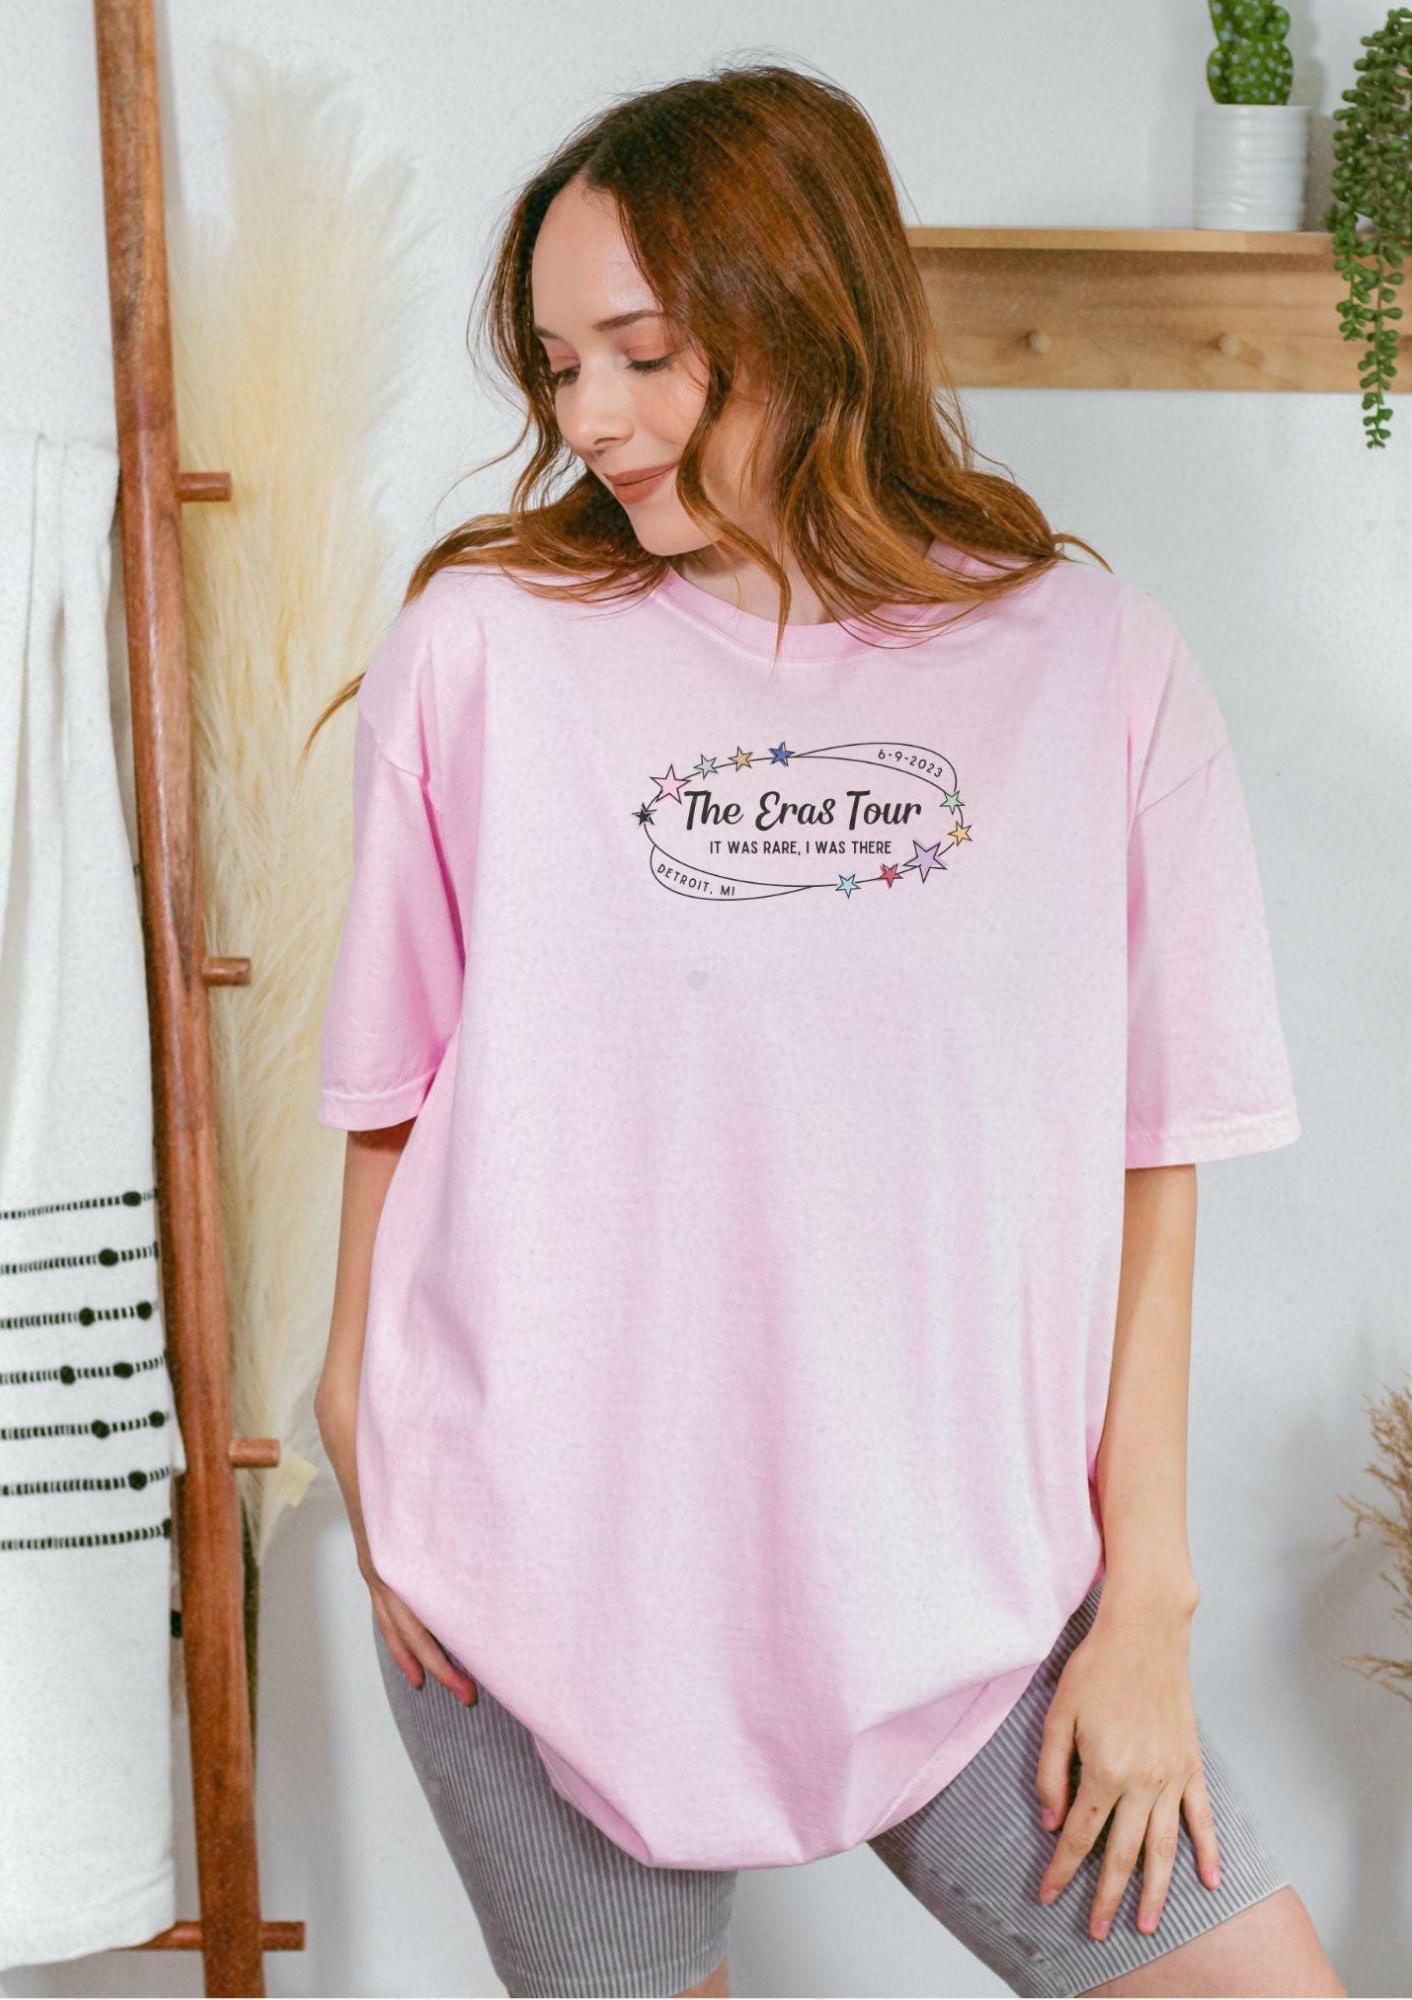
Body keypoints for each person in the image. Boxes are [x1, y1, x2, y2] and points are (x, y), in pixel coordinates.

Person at [306, 60, 1342, 2000]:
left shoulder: (1091, 669)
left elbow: (1152, 1164)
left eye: (641, 351)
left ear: (808, 311)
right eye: (552, 364)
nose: (587, 420)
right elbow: (390, 1093)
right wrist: (365, 1420)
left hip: (968, 1581)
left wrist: (1149, 1608)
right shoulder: (481, 647)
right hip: (538, 1566)